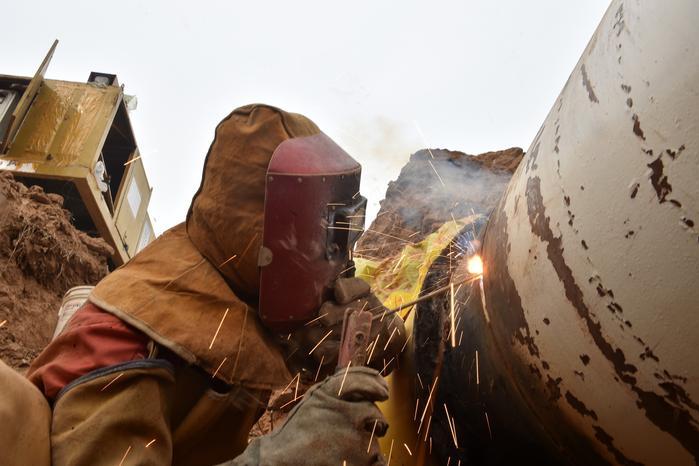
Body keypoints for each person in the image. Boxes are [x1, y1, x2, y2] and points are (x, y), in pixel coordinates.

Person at [2, 104, 405, 466]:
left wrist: (372, 327)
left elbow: (395, 348)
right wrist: (281, 458)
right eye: (328, 236)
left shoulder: (245, 284)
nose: (338, 258)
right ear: (280, 228)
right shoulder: (127, 344)